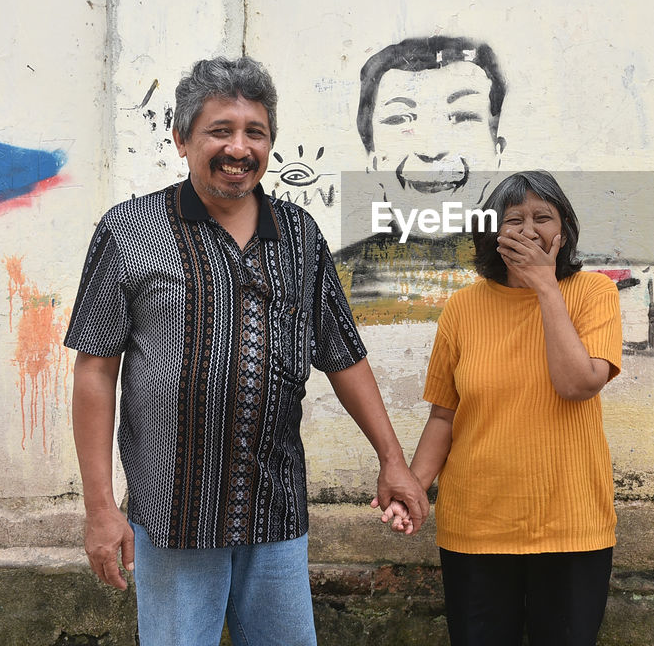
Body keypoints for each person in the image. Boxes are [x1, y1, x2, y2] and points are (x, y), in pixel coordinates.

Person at [65, 56, 427, 646]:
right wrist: (101, 509)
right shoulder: (129, 230)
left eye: (254, 132)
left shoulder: (298, 233)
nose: (239, 147)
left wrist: (392, 458)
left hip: (275, 509)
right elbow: (96, 371)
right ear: (182, 139)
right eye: (220, 130)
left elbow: (341, 352)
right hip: (174, 511)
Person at [380, 169, 623, 645]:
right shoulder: (463, 308)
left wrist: (546, 287)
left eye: (542, 217)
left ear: (564, 231)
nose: (529, 230)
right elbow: (444, 416)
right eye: (513, 219)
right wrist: (413, 487)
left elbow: (578, 384)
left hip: (571, 527)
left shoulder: (593, 294)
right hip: (477, 527)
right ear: (492, 234)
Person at [337, 35, 509, 324]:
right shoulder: (334, 281)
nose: (431, 151)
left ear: (496, 153)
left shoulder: (534, 273)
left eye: (463, 116)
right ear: (373, 157)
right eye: (400, 119)